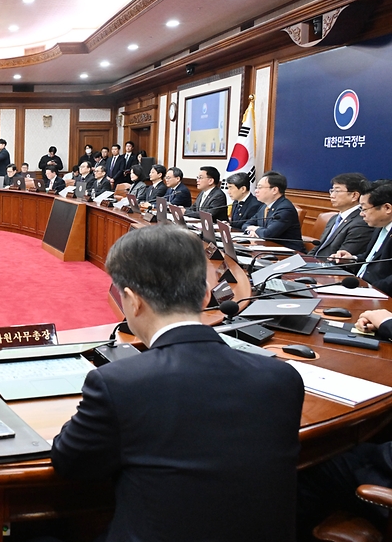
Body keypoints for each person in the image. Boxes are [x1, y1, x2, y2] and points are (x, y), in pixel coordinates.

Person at [51, 225, 304, 542]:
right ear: (207, 295)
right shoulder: (282, 377)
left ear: (132, 300)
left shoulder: (117, 384)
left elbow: (70, 463)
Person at [331, 180, 392, 295]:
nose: (361, 214)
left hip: (380, 297)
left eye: (364, 209)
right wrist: (352, 259)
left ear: (387, 208)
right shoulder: (379, 227)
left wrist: (369, 289)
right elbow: (371, 259)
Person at [312, 172, 373, 258]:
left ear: (354, 195)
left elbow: (340, 258)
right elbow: (318, 248)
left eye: (337, 191)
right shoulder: (334, 218)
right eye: (332, 191)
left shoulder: (362, 222)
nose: (332, 196)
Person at [243, 171, 305, 252]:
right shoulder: (265, 206)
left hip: (289, 254)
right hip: (267, 249)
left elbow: (267, 234)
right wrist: (252, 230)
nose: (256, 191)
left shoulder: (285, 209)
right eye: (256, 187)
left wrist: (255, 228)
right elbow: (246, 224)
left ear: (274, 190)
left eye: (260, 187)